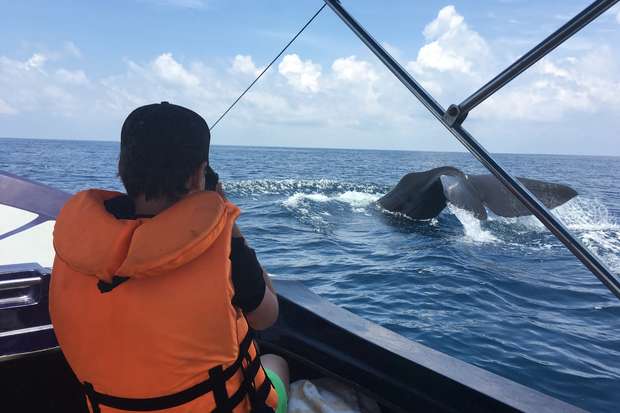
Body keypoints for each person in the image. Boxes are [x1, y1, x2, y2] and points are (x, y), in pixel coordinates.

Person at [49, 102, 289, 413]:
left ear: (122, 167)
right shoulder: (223, 251)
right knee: (275, 361)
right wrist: (226, 220)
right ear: (198, 176)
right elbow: (266, 316)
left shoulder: (75, 248)